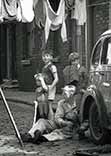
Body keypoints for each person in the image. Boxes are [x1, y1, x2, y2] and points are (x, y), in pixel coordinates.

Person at [41, 52, 59, 120]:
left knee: (49, 105)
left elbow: (56, 78)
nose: (45, 57)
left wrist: (51, 87)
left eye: (47, 56)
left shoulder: (52, 66)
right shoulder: (44, 67)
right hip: (45, 86)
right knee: (45, 104)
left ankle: (51, 120)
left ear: (51, 57)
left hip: (49, 86)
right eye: (43, 56)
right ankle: (46, 119)